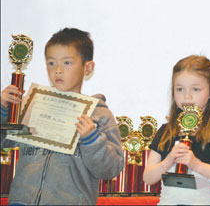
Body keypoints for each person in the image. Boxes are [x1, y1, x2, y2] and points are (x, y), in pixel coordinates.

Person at [0, 28, 124, 205]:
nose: (57, 70)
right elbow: (3, 142)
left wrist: (92, 140)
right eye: (51, 63)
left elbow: (111, 169)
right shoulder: (33, 105)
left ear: (87, 68)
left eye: (67, 63)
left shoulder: (99, 114)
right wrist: (4, 111)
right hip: (22, 201)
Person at [143, 55, 210, 205]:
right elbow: (148, 178)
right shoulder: (165, 131)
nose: (187, 96)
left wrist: (196, 165)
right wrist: (169, 160)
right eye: (179, 89)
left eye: (196, 89)